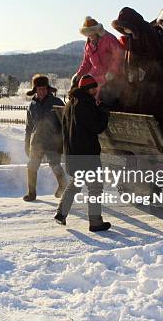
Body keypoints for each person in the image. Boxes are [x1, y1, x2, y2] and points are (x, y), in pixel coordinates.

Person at [55, 75, 112, 232]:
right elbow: (97, 126)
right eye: (94, 87)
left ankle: (61, 213)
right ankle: (95, 222)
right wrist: (104, 112)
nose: (96, 90)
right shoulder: (86, 104)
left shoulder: (70, 104)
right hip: (87, 154)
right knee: (95, 188)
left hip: (73, 154)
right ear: (88, 89)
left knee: (75, 184)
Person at [111, 7, 163, 127]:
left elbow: (155, 57)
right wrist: (130, 72)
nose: (125, 30)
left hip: (153, 80)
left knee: (149, 103)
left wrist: (143, 70)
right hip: (138, 80)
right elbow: (131, 58)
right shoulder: (133, 36)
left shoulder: (148, 33)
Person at [23, 74, 68, 201]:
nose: (42, 91)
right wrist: (27, 143)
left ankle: (63, 185)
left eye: (44, 89)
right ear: (35, 90)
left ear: (48, 89)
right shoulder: (32, 105)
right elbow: (28, 127)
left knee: (55, 164)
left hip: (53, 140)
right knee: (32, 166)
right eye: (39, 89)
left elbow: (65, 122)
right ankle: (31, 193)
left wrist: (64, 140)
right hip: (37, 141)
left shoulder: (57, 103)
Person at [75, 16, 125, 103]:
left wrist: (112, 72)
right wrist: (79, 74)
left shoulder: (109, 39)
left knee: (108, 99)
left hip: (113, 78)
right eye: (87, 33)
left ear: (97, 31)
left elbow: (119, 56)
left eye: (91, 32)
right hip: (96, 79)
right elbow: (86, 63)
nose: (89, 35)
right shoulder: (88, 45)